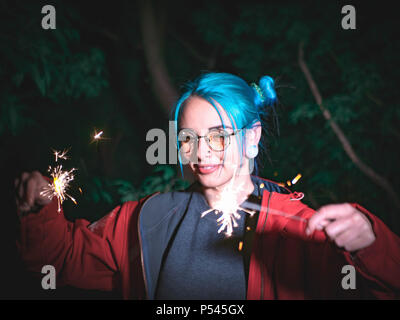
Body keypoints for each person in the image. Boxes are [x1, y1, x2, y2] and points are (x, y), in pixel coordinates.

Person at [15, 72, 400, 299]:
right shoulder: (148, 218)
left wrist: (370, 242)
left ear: (251, 138)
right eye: (188, 138)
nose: (201, 152)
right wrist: (40, 209)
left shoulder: (298, 229)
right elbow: (61, 259)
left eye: (218, 136)